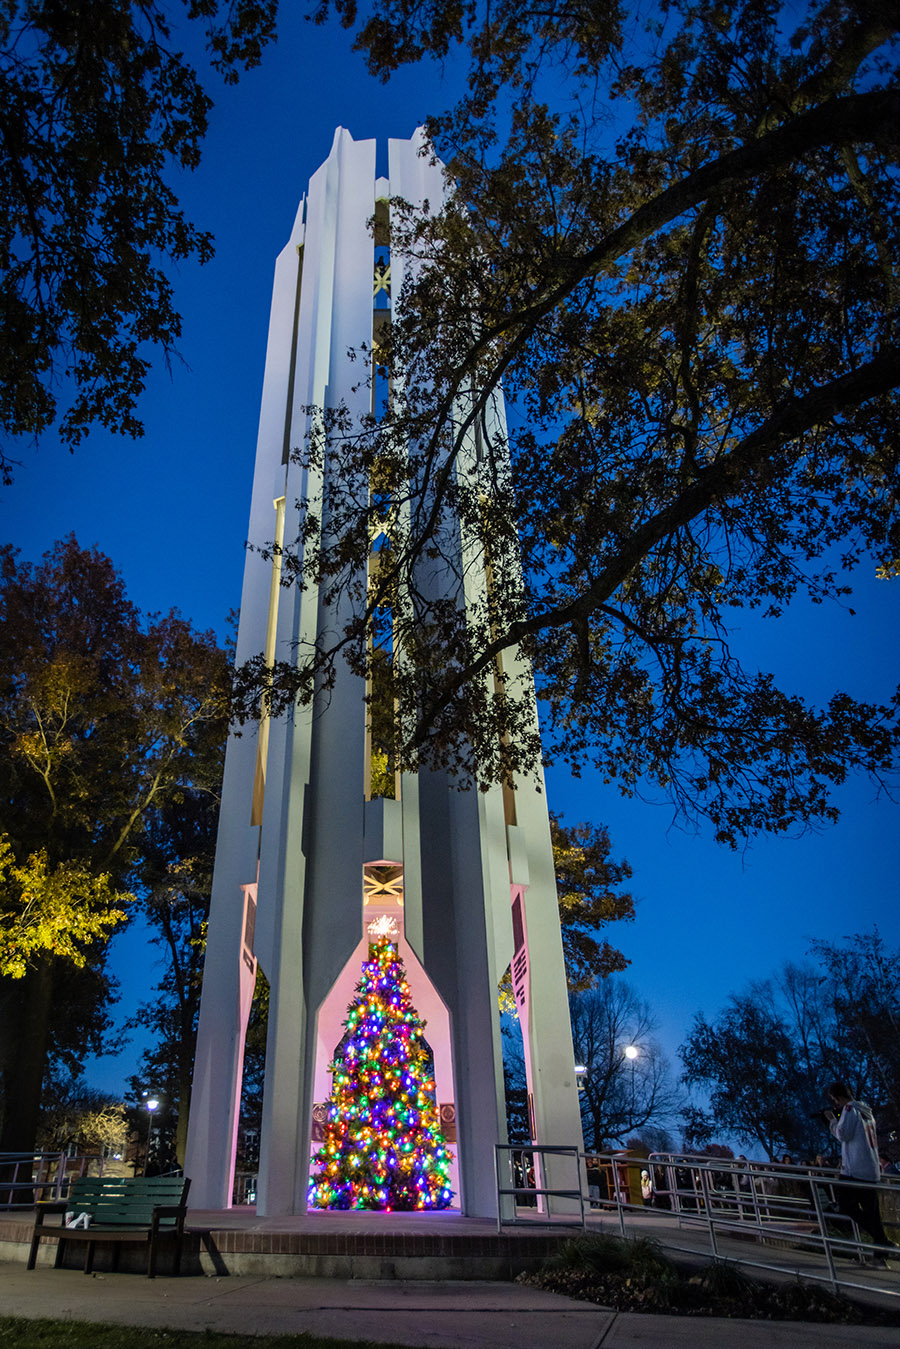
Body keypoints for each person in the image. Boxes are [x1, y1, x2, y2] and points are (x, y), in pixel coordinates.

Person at [826, 1080, 895, 1257]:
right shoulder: (866, 1111)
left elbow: (843, 1134)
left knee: (845, 1204)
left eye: (835, 1099)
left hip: (854, 1169)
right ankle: (881, 1249)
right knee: (871, 1212)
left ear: (839, 1097)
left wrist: (832, 1122)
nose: (835, 1103)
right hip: (870, 1169)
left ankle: (881, 1240)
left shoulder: (850, 1109)